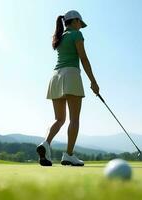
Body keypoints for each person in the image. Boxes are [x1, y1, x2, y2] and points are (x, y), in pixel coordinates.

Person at [36, 10, 99, 167]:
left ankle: (45, 143)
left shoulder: (60, 37)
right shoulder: (76, 35)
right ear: (75, 21)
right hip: (70, 75)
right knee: (74, 119)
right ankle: (69, 155)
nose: (81, 27)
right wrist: (93, 81)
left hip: (55, 77)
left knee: (59, 119)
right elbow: (83, 58)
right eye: (80, 24)